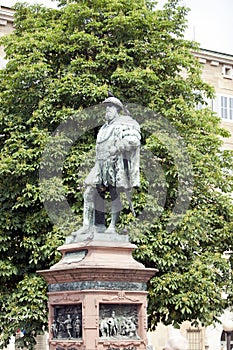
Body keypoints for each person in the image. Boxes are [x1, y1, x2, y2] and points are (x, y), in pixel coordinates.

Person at [75, 95, 141, 236]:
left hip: (115, 164)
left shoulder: (124, 124)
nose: (107, 109)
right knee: (89, 192)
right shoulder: (104, 128)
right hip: (101, 164)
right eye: (106, 107)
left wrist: (118, 146)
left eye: (110, 106)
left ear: (117, 109)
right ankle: (88, 225)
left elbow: (134, 139)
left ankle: (111, 226)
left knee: (114, 194)